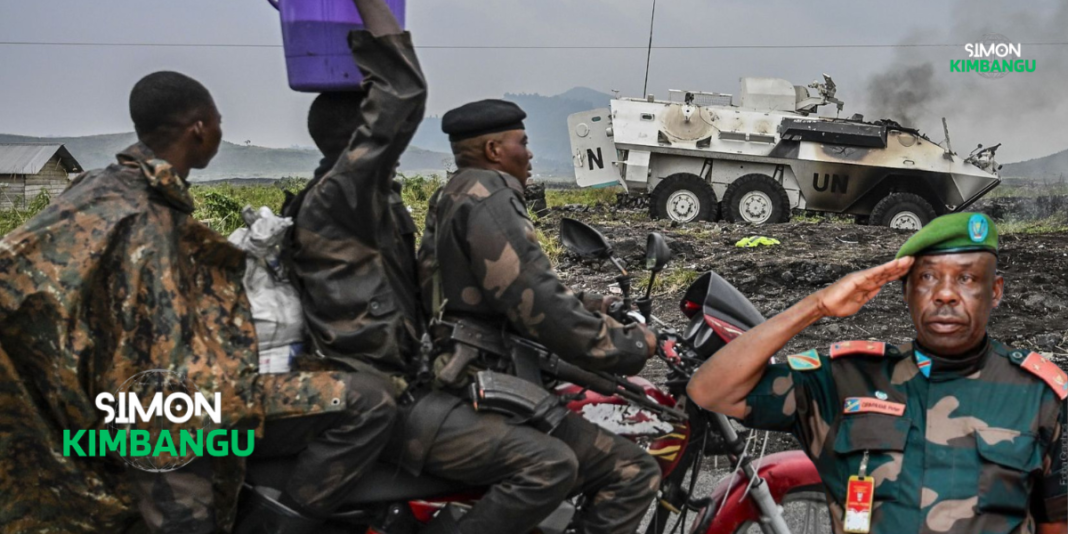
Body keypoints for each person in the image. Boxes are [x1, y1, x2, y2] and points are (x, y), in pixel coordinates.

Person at [687, 212, 1067, 534]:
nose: (945, 294)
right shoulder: (846, 378)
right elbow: (710, 390)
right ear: (905, 292)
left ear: (996, 291)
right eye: (928, 278)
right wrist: (817, 305)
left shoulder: (1043, 397)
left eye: (966, 278)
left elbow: (1058, 522)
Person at [414, 99, 662, 534]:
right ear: (494, 149)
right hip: (476, 378)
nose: (529, 154)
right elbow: (539, 306)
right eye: (522, 143)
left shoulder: (457, 189)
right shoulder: (489, 195)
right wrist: (630, 345)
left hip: (460, 368)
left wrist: (595, 304)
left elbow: (498, 289)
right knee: (631, 471)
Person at [274, 0, 429, 523]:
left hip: (384, 367)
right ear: (357, 142)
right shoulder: (343, 192)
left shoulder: (355, 194)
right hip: (365, 379)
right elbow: (402, 95)